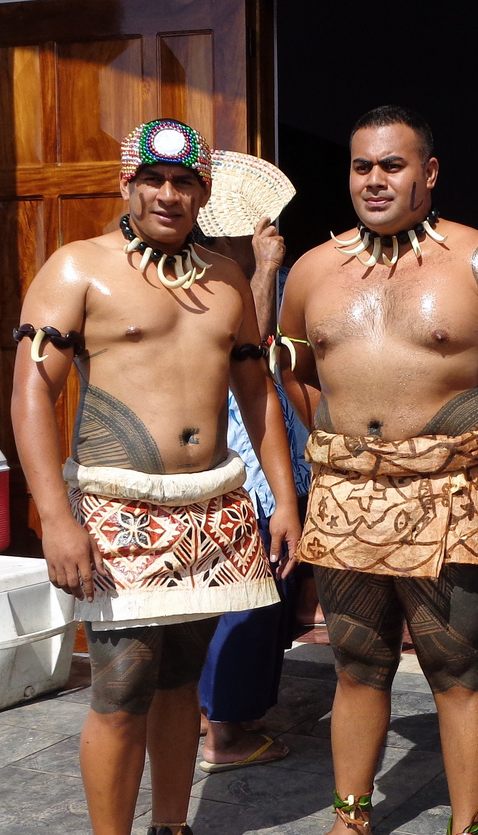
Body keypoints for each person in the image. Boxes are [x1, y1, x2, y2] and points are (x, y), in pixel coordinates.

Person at [10, 118, 300, 835]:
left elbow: (256, 394)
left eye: (186, 184)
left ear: (205, 192)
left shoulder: (225, 279)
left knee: (183, 680)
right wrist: (53, 515)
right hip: (118, 505)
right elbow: (34, 395)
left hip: (212, 505)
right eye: (154, 181)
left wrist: (279, 498)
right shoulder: (76, 269)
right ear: (127, 185)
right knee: (123, 685)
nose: (170, 196)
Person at [274, 105, 478, 835]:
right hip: (345, 490)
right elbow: (295, 369)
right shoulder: (311, 270)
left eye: (392, 166)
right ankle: (350, 821)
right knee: (356, 664)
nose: (374, 180)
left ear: (427, 173)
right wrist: (336, 444)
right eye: (362, 166)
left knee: (455, 667)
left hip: (452, 493)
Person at [197, 214, 311, 770]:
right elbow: (251, 349)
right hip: (243, 476)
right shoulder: (214, 288)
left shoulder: (276, 281)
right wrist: (264, 267)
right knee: (248, 605)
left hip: (274, 474)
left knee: (267, 600)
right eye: (248, 234)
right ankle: (223, 735)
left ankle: (224, 715)